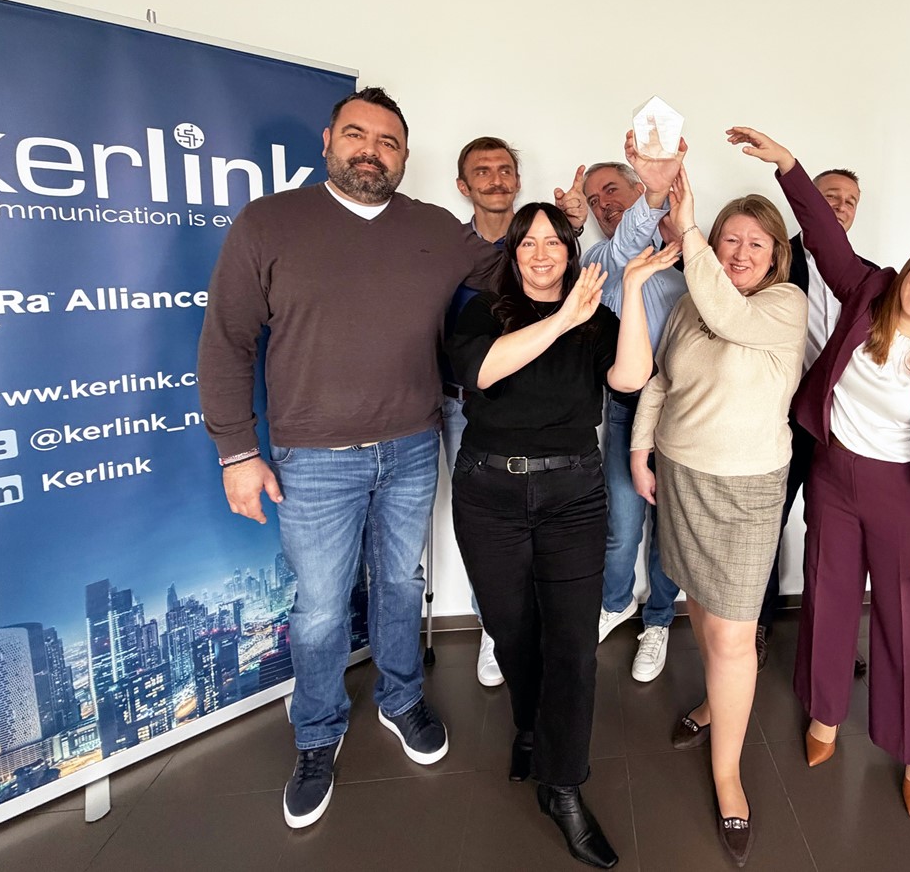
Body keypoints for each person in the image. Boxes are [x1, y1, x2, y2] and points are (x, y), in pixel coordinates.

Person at [197, 87, 503, 830]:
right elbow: (227, 340)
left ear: (404, 156)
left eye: (388, 141)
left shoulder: (435, 229)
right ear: (329, 141)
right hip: (312, 458)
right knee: (320, 608)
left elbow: (516, 276)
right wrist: (236, 452)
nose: (372, 151)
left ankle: (402, 697)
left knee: (400, 585)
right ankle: (316, 732)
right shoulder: (269, 222)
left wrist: (573, 233)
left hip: (412, 446)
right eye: (357, 135)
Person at [731, 126, 910, 816]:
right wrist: (789, 166)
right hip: (833, 478)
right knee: (826, 603)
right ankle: (824, 716)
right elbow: (826, 242)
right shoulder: (869, 293)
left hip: (904, 499)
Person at [448, 201, 678, 869]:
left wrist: (629, 289)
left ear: (571, 252)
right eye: (529, 242)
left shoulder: (595, 318)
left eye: (554, 241)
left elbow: (630, 378)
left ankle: (563, 786)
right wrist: (562, 319)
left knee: (573, 647)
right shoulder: (481, 311)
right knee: (513, 632)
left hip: (572, 495)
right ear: (514, 253)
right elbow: (480, 372)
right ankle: (530, 730)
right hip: (488, 494)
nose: (542, 252)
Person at [630, 168, 806, 866]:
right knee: (701, 605)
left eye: (755, 243)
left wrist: (692, 229)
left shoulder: (782, 305)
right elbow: (661, 381)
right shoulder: (688, 304)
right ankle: (711, 702)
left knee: (733, 632)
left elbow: (729, 316)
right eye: (728, 238)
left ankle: (728, 775)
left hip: (744, 488)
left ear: (775, 256)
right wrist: (641, 449)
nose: (739, 252)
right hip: (680, 473)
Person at [448, 136, 588, 687]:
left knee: (551, 536)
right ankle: (496, 629)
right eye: (481, 171)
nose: (495, 179)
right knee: (488, 530)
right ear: (463, 186)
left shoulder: (543, 240)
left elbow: (559, 273)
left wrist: (571, 227)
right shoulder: (448, 243)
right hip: (467, 399)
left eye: (505, 169)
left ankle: (539, 633)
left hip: (547, 413)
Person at [753, 163, 873, 674]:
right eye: (830, 196)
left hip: (844, 428)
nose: (840, 206)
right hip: (780, 420)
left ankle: (831, 640)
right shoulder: (772, 262)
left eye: (850, 200)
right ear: (807, 202)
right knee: (767, 525)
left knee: (836, 538)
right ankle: (755, 627)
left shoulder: (870, 277)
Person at [580, 134, 687, 682]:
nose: (604, 204)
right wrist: (653, 197)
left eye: (611, 190)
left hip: (684, 413)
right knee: (622, 526)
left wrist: (662, 198)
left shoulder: (688, 259)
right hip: (627, 407)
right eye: (594, 200)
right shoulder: (600, 260)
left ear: (635, 187)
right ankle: (615, 602)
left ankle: (660, 619)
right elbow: (628, 245)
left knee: (670, 530)